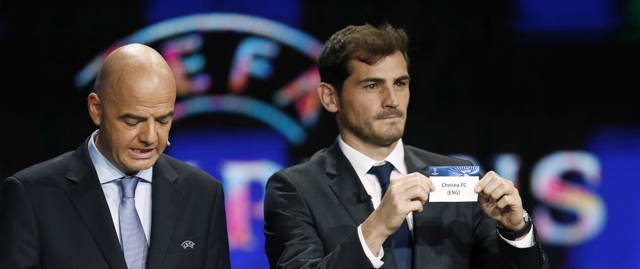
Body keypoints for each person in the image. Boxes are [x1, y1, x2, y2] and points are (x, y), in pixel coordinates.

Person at [263, 23, 548, 269]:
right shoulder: (295, 190)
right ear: (329, 98)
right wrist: (376, 228)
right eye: (372, 86)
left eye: (400, 83)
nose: (392, 101)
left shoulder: (459, 176)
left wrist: (515, 231)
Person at [0, 44, 231, 269]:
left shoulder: (203, 194)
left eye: (163, 121)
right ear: (96, 109)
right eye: (132, 121)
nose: (150, 137)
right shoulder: (31, 196)